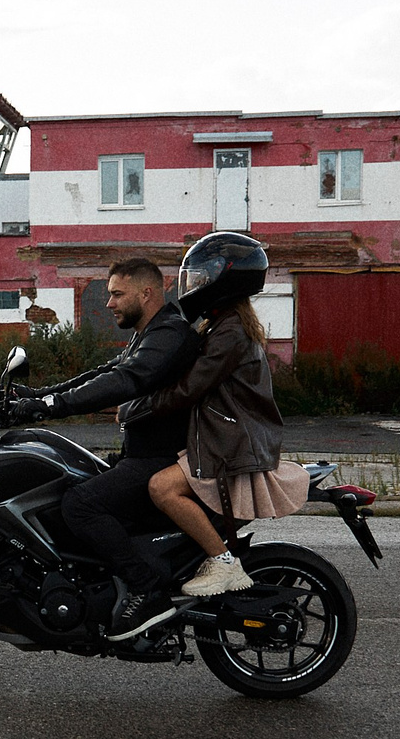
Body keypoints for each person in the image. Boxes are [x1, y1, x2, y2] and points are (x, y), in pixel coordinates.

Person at [0, 256, 202, 637]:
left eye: (117, 294)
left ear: (147, 292)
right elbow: (104, 372)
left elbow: (126, 380)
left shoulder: (170, 333)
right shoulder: (151, 332)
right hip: (141, 456)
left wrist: (46, 407)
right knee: (70, 482)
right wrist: (37, 397)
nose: (109, 303)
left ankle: (146, 589)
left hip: (161, 460)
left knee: (80, 504)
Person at [125, 231, 306, 598]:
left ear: (224, 279)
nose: (194, 284)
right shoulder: (222, 323)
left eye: (202, 277)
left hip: (231, 442)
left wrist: (137, 409)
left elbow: (192, 387)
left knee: (161, 487)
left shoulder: (231, 331)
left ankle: (223, 562)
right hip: (224, 435)